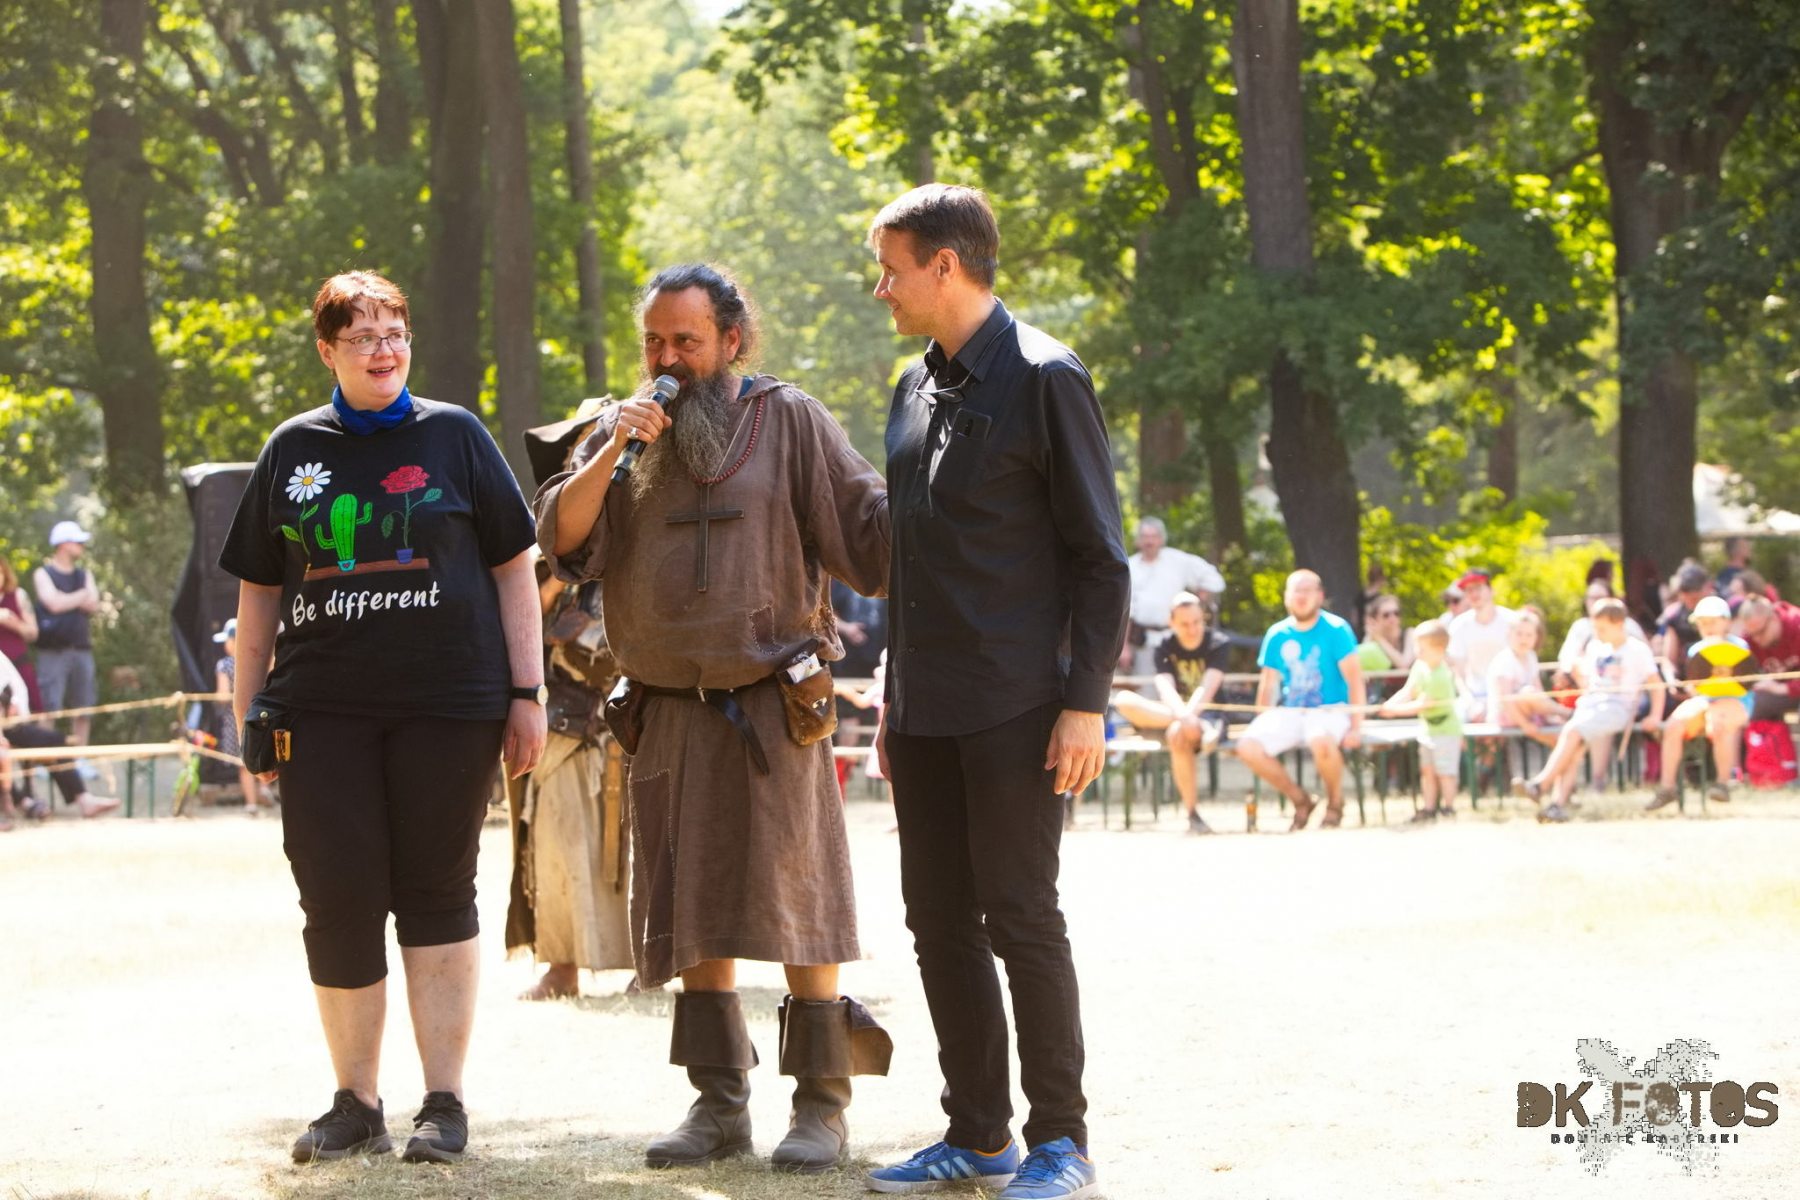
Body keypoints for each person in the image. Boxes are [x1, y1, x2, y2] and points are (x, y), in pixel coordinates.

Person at [536, 263, 894, 1174]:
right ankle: (718, 1104)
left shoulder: (791, 420)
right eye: (654, 342)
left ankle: (821, 1105)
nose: (667, 359)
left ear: (732, 340)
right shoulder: (622, 435)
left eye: (686, 342)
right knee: (688, 908)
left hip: (777, 706)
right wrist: (612, 448)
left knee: (802, 903)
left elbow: (871, 529)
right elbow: (562, 540)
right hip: (666, 712)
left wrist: (948, 487)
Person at [219, 271, 545, 1166]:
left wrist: (527, 695)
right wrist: (248, 712)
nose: (384, 349)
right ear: (327, 350)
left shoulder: (456, 435)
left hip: (451, 704)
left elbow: (515, 569)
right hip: (320, 712)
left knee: (438, 892)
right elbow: (258, 595)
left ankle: (444, 1103)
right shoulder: (291, 449)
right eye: (362, 335)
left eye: (395, 331)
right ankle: (355, 1103)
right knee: (337, 898)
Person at [866, 184, 1126, 1200]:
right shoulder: (910, 387)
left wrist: (1085, 703)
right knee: (937, 922)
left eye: (891, 269)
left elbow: (1101, 558)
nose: (881, 289)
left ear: (946, 265)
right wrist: (893, 700)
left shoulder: (1049, 376)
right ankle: (977, 1136)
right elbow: (911, 558)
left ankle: (1061, 1142)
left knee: (1021, 917)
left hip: (1019, 705)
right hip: (922, 708)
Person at [1234, 569, 1365, 831]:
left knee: (1320, 739)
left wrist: (1356, 726)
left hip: (1330, 709)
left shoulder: (1336, 629)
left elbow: (1354, 679)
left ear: (1320, 596)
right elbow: (1268, 683)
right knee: (1248, 746)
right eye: (1296, 590)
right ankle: (1301, 800)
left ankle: (1335, 804)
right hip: (1291, 710)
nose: (1301, 596)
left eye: (1307, 590)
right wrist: (1261, 718)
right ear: (1286, 596)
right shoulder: (1277, 633)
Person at [1512, 599, 1664, 823]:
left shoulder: (1636, 650)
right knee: (1572, 748)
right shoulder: (1596, 647)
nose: (1597, 633)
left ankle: (1540, 785)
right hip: (1591, 704)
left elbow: (1656, 684)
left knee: (1572, 733)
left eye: (1602, 628)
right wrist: (1578, 673)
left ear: (1619, 624)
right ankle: (1556, 805)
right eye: (1595, 627)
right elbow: (1590, 684)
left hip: (1618, 707)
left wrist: (1655, 715)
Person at [1110, 592, 1230, 835]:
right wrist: (1184, 716)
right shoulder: (1164, 645)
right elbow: (1165, 687)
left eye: (1197, 622)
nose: (1192, 629)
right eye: (1185, 624)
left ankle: (1192, 813)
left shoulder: (1218, 642)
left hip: (1207, 714)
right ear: (1171, 622)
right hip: (1173, 713)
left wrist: (1187, 717)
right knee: (1123, 700)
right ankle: (1193, 814)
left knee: (1178, 733)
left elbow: (1207, 688)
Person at [1648, 596, 1754, 810]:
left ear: (1726, 622)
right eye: (1703, 623)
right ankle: (1668, 788)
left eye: (1713, 622)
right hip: (1705, 701)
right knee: (1674, 725)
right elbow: (1696, 685)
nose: (1708, 627)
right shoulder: (1695, 650)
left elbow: (1745, 683)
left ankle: (1723, 783)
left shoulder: (1740, 647)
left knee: (1718, 723)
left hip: (1736, 702)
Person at [0, 648, 119, 821]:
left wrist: (13, 704)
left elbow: (12, 686)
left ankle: (83, 799)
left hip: (11, 724)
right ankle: (23, 802)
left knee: (54, 739)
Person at [1119, 516, 1225, 679]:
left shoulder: (1177, 561)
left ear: (1161, 539)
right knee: (1146, 686)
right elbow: (1125, 612)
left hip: (1175, 639)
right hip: (1142, 642)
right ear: (1138, 540)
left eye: (1154, 536)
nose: (1149, 541)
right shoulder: (1130, 566)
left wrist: (1200, 598)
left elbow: (1214, 580)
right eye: (1145, 537)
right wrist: (1123, 647)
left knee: (1178, 685)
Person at [1377, 620, 1461, 822]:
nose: (1417, 652)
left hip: (1446, 731)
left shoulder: (1440, 675)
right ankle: (1429, 808)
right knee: (1427, 770)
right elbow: (1409, 691)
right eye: (1416, 646)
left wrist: (1394, 711)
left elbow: (1422, 704)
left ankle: (1448, 808)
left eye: (1422, 648)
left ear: (1439, 650)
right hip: (1427, 730)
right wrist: (1389, 704)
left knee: (1445, 772)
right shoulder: (1420, 666)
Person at [33, 520, 101, 747]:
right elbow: (52, 603)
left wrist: (66, 599)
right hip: (52, 651)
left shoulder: (84, 574)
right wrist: (81, 596)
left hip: (81, 649)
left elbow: (93, 603)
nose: (81, 546)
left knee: (84, 705)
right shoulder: (43, 573)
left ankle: (80, 756)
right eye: (77, 541)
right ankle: (44, 757)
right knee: (48, 705)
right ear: (63, 544)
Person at [211, 619, 269, 816]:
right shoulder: (259, 662)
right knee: (263, 754)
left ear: (236, 641)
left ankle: (251, 804)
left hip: (235, 720)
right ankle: (264, 789)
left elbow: (222, 695)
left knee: (244, 762)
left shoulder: (224, 665)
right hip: (262, 715)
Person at [1487, 608, 1564, 748]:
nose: (1524, 639)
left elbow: (1539, 691)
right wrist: (1525, 724)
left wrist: (1546, 715)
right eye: (1519, 634)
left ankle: (1559, 716)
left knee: (1562, 743)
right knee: (1528, 692)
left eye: (1529, 635)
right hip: (1508, 715)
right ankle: (1566, 712)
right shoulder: (1504, 661)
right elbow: (1505, 700)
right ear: (1509, 634)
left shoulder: (1531, 656)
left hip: (1529, 713)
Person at [1554, 579, 1650, 690]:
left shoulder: (1628, 625)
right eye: (1591, 598)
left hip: (1626, 687)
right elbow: (1567, 660)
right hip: (1589, 686)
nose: (1594, 602)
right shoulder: (1580, 626)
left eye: (1599, 597)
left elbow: (1647, 663)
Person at [1445, 569, 1514, 720]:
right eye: (1469, 590)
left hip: (1509, 693)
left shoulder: (1512, 621)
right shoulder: (1458, 625)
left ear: (1491, 590)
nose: (1474, 593)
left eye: (1478, 587)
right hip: (1474, 695)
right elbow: (1459, 673)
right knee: (1454, 720)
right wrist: (1470, 703)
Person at [1735, 594, 1800, 723]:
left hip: (1788, 689)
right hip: (1779, 692)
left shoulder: (1796, 625)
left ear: (1774, 618)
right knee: (1747, 707)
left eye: (1761, 632)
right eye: (1752, 635)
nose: (1756, 639)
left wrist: (1782, 688)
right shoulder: (1750, 638)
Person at [0, 557, 42, 716]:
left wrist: (13, 623)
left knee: (33, 707)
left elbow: (33, 633)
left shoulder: (17, 595)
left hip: (18, 663)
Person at [1655, 562, 1715, 668]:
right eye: (1687, 599)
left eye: (1695, 599)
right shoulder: (1674, 616)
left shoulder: (1720, 611)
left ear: (1707, 588)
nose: (1691, 604)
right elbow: (1670, 659)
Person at [1356, 594, 1415, 677]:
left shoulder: (1409, 633)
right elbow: (1361, 664)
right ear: (1375, 619)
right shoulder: (1373, 638)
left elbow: (1404, 666)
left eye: (1396, 613)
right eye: (1386, 615)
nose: (1392, 617)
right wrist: (1370, 635)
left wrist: (1380, 639)